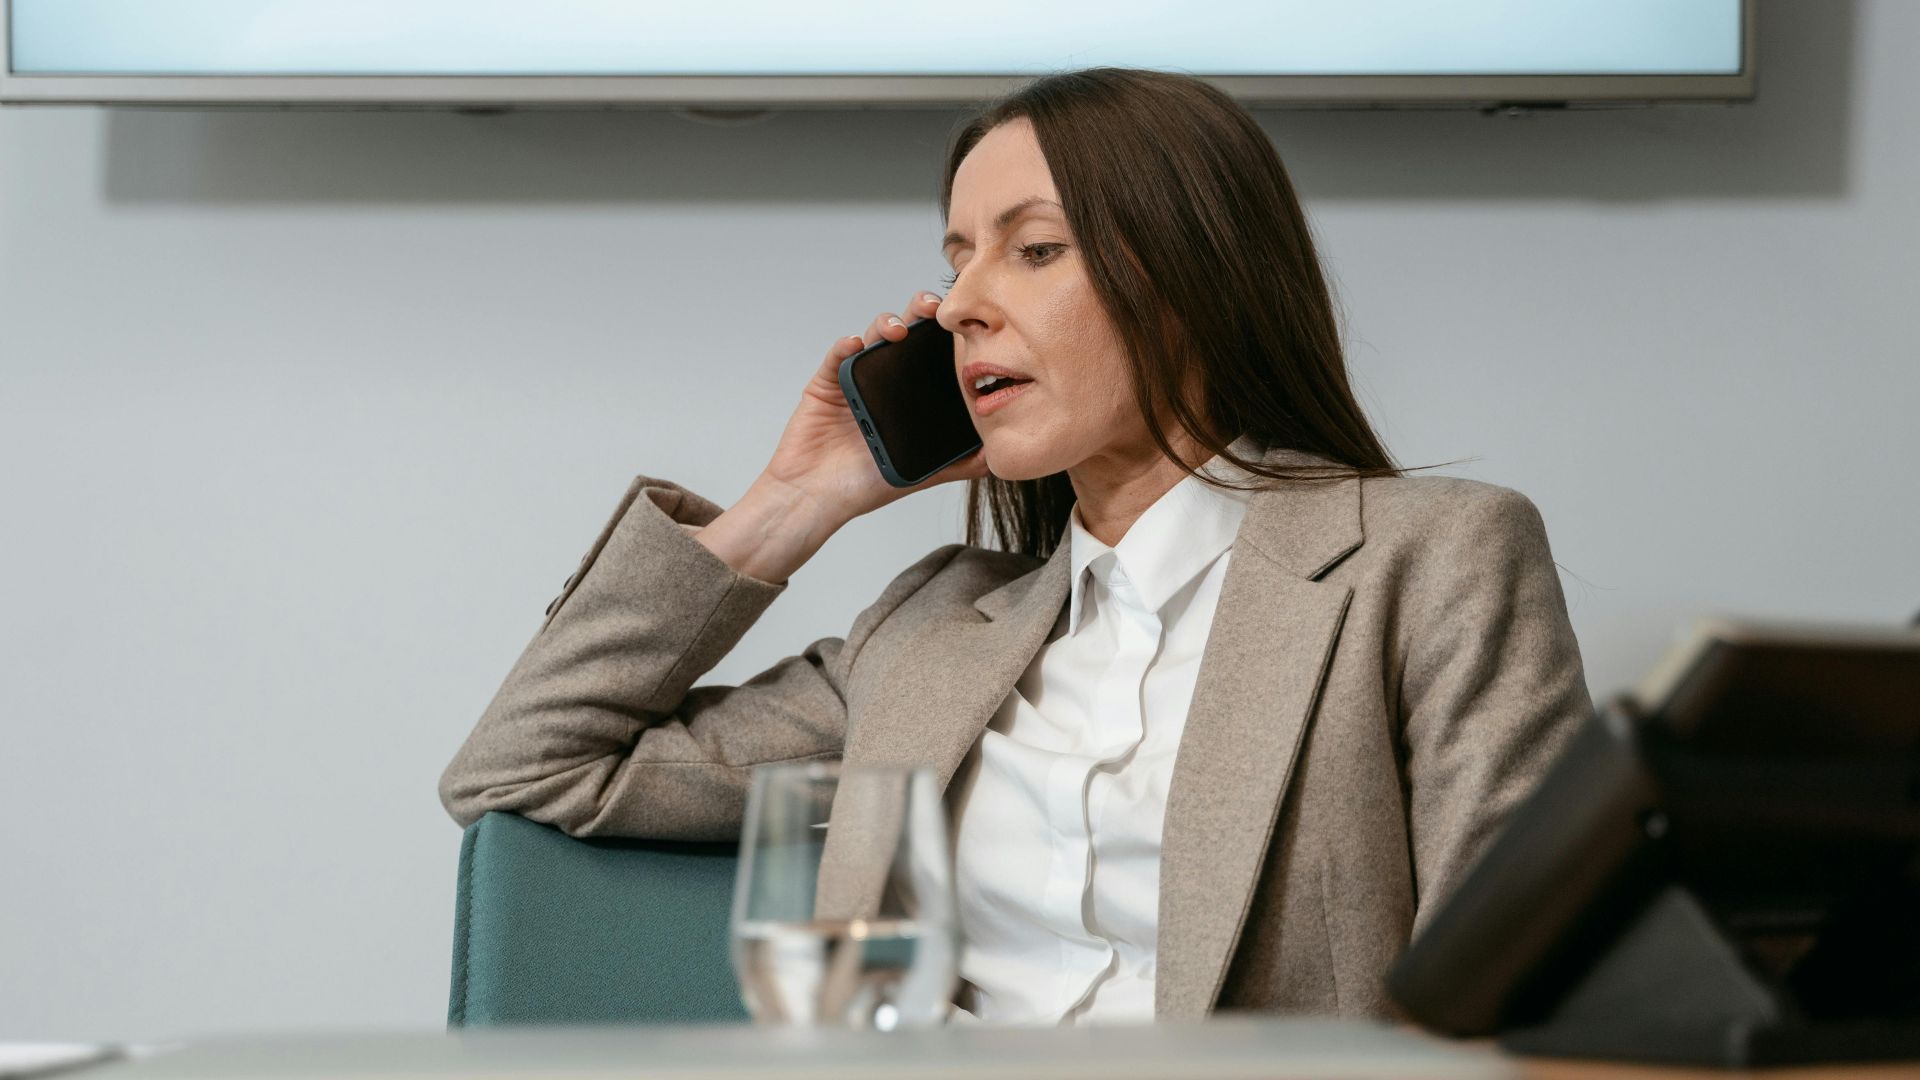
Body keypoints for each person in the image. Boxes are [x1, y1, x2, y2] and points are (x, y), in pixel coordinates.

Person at [438, 66, 1593, 1026]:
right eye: (956, 262)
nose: (958, 306)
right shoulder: (930, 626)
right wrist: (793, 502)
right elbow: (527, 765)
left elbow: (1517, 987)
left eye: (1033, 251)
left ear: (1194, 274)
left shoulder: (1429, 559)